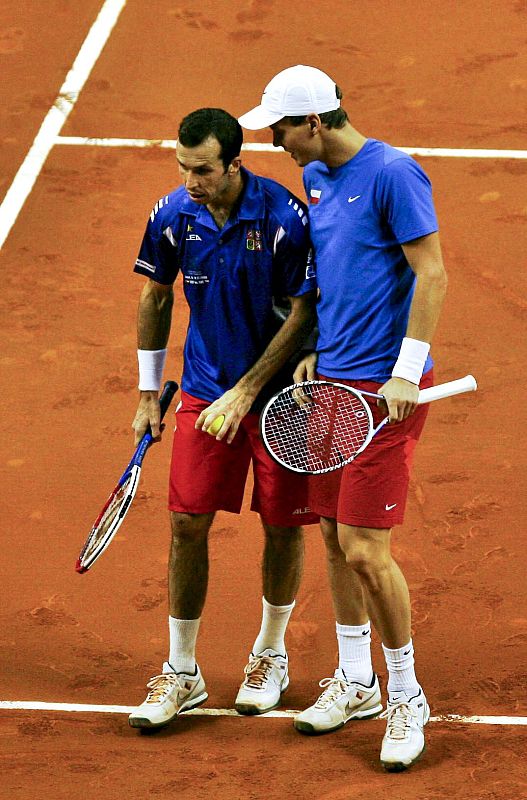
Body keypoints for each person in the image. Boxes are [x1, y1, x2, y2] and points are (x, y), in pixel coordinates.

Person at [239, 65, 448, 771]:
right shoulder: (318, 176)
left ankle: (406, 693)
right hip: (331, 381)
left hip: (385, 391)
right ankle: (356, 679)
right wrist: (316, 350)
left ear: (314, 122)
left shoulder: (393, 174)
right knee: (331, 534)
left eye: (281, 129)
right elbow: (340, 273)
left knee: (364, 549)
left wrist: (404, 369)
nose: (275, 142)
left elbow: (431, 273)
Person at [128, 107, 318, 730]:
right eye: (183, 167)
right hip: (205, 390)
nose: (190, 181)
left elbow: (304, 312)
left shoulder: (283, 217)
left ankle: (270, 654)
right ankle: (182, 669)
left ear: (235, 164)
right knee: (186, 523)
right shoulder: (171, 215)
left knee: (282, 525)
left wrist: (247, 391)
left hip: (280, 397)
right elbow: (156, 295)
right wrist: (147, 393)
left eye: (203, 170)